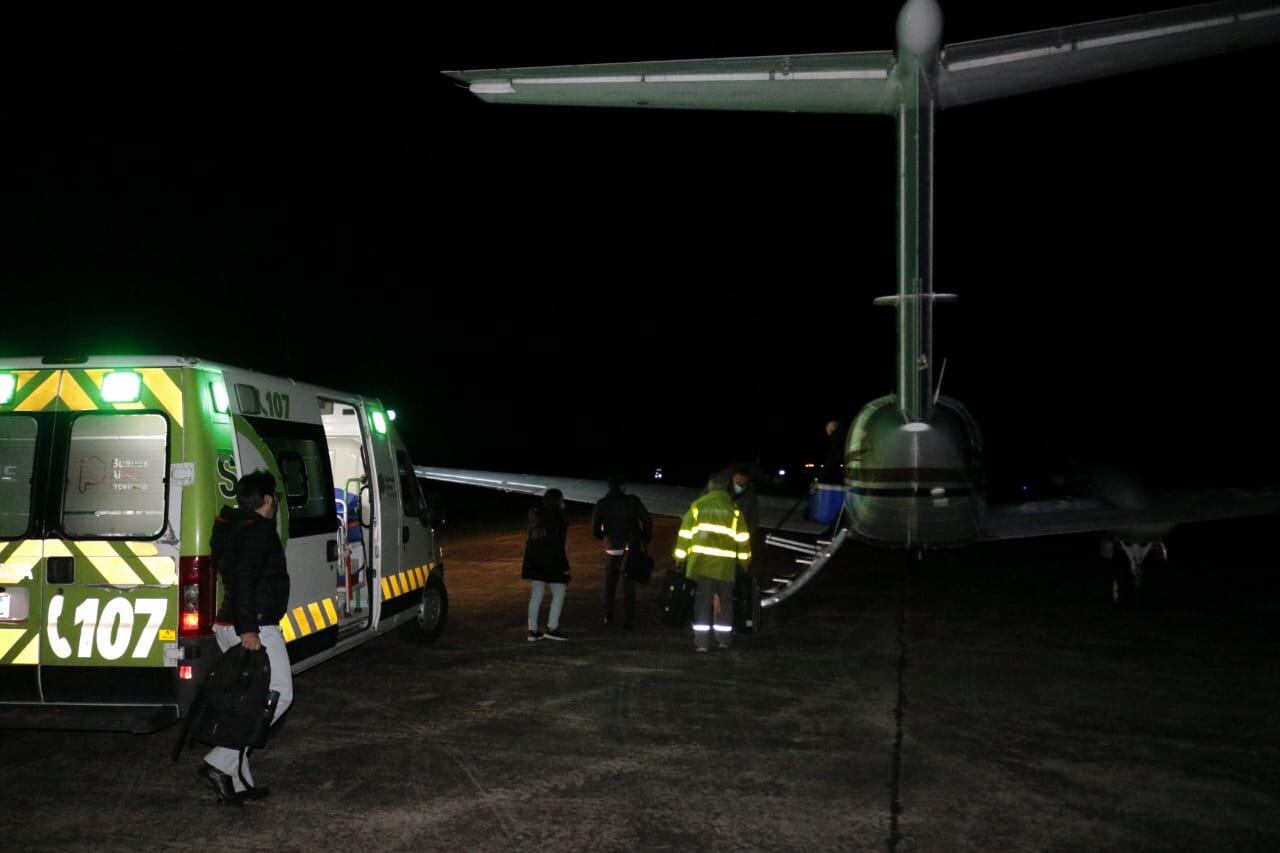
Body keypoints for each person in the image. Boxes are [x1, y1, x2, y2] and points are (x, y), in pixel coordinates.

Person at [198, 469, 292, 803]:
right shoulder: (259, 531)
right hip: (256, 627)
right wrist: (249, 628)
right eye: (275, 498)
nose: (276, 503)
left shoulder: (232, 526)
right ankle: (221, 762)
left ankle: (238, 781)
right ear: (268, 500)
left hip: (228, 623)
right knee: (280, 693)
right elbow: (245, 578)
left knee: (246, 702)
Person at [675, 476, 751, 651]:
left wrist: (680, 558)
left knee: (702, 602)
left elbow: (685, 534)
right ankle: (723, 640)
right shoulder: (734, 510)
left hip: (703, 564)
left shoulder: (697, 507)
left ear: (709, 489)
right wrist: (745, 561)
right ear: (725, 490)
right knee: (725, 603)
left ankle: (702, 643)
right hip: (726, 567)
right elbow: (743, 540)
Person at [591, 474, 653, 630]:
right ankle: (628, 620)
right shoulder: (632, 501)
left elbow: (596, 531)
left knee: (610, 584)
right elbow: (647, 520)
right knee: (628, 585)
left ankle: (608, 615)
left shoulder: (602, 504)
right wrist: (644, 538)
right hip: (630, 547)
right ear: (623, 486)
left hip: (611, 547)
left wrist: (603, 536)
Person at [522, 488, 571, 641]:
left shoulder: (535, 514)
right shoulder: (557, 517)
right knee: (559, 591)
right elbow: (558, 545)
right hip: (551, 561)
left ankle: (532, 630)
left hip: (534, 559)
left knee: (536, 594)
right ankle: (552, 627)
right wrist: (565, 567)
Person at [820, 420, 845, 485]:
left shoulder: (836, 438)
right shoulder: (842, 436)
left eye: (828, 429)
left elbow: (833, 458)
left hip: (832, 476)